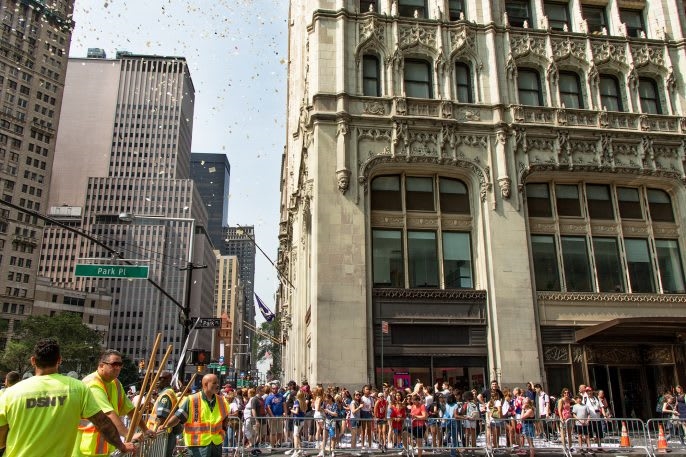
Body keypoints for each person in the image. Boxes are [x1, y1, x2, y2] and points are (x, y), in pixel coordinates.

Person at [0, 338, 135, 457]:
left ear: (33, 361)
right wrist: (122, 446)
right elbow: (102, 423)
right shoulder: (78, 388)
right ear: (59, 360)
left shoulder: (10, 393)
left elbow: (1, 439)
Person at [74, 349, 152, 457]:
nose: (118, 367)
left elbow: (130, 409)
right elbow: (108, 413)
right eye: (114, 364)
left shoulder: (115, 383)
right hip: (86, 449)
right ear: (101, 365)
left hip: (107, 446)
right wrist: (128, 434)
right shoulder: (92, 384)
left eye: (120, 364)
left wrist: (145, 429)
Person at [167, 374, 231, 457]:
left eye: (217, 383)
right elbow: (178, 417)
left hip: (216, 444)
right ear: (205, 384)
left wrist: (224, 430)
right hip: (197, 447)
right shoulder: (192, 399)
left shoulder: (221, 400)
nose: (217, 385)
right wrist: (165, 425)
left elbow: (225, 416)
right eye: (214, 383)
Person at [147, 370, 182, 457]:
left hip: (160, 434)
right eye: (156, 378)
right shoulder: (166, 393)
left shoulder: (166, 395)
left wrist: (157, 432)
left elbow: (162, 417)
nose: (157, 381)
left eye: (161, 378)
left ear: (168, 379)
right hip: (163, 434)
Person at [266, 382, 285, 447]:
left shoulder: (281, 396)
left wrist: (285, 413)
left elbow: (284, 404)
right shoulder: (269, 397)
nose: (275, 389)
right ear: (271, 389)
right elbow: (268, 407)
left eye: (276, 388)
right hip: (272, 417)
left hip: (280, 416)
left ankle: (276, 443)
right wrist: (272, 416)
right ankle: (272, 445)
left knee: (280, 431)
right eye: (273, 388)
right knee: (273, 432)